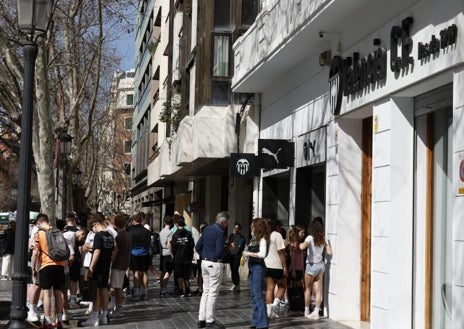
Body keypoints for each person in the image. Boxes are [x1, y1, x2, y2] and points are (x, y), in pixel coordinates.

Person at [195, 211, 230, 329]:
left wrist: (205, 255)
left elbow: (197, 246)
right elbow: (220, 251)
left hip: (204, 262)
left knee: (206, 291)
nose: (227, 225)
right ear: (223, 222)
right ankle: (210, 320)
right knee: (213, 293)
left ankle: (201, 319)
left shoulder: (207, 229)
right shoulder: (220, 232)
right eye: (227, 222)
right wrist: (227, 248)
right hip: (214, 263)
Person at [31, 213, 66, 329]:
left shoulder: (39, 233)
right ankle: (59, 320)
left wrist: (33, 268)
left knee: (46, 294)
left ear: (38, 222)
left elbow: (35, 252)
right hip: (60, 265)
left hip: (46, 265)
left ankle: (47, 322)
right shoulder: (58, 232)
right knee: (58, 293)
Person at [81, 215, 115, 326]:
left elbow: (97, 251)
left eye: (92, 228)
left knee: (95, 291)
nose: (93, 230)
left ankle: (94, 317)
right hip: (106, 266)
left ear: (95, 224)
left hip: (98, 267)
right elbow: (115, 250)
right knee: (104, 290)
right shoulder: (110, 235)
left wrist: (91, 267)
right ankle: (104, 316)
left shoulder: (98, 236)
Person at [299, 218, 333, 320]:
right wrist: (328, 245)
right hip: (321, 265)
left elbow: (301, 247)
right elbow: (330, 253)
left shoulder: (309, 238)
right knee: (319, 291)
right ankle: (316, 312)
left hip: (311, 265)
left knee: (308, 289)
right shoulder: (323, 238)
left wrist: (300, 243)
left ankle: (306, 310)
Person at [242, 218, 270, 329]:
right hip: (252, 267)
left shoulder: (262, 239)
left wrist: (248, 253)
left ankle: (263, 324)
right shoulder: (253, 239)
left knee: (258, 295)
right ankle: (256, 321)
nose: (251, 228)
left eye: (252, 226)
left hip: (258, 267)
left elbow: (262, 254)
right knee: (254, 295)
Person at [264, 219, 287, 320]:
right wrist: (284, 266)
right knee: (282, 286)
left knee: (270, 288)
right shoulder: (277, 235)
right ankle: (274, 305)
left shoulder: (265, 236)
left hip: (266, 266)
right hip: (277, 266)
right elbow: (281, 252)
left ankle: (269, 312)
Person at [109, 214, 131, 318]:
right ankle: (116, 307)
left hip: (118, 264)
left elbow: (115, 251)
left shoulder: (119, 236)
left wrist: (110, 261)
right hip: (123, 263)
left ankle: (118, 309)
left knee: (117, 288)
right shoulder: (126, 235)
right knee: (117, 287)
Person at [128, 212, 152, 300]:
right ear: (141, 220)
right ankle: (145, 291)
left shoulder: (131, 231)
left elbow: (129, 243)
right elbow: (149, 243)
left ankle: (137, 292)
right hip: (144, 253)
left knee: (136, 272)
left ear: (134, 221)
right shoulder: (147, 231)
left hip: (134, 253)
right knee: (145, 272)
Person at [170, 216, 195, 297]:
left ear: (177, 224)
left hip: (178, 258)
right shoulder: (188, 234)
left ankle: (181, 290)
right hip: (187, 257)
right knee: (186, 275)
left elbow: (173, 247)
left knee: (179, 275)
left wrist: (174, 255)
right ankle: (187, 289)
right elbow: (192, 245)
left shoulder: (175, 235)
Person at [228, 223, 245, 292]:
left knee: (235, 269)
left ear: (240, 229)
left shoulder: (241, 237)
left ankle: (237, 284)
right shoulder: (231, 235)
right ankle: (234, 284)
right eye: (235, 228)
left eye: (237, 228)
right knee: (232, 269)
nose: (236, 229)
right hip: (231, 255)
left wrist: (233, 245)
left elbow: (239, 246)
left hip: (237, 255)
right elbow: (229, 243)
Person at [159, 216, 173, 297]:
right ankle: (164, 289)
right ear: (171, 223)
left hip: (162, 252)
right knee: (168, 271)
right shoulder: (170, 232)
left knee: (163, 271)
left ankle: (161, 288)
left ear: (164, 222)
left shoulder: (161, 231)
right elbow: (169, 243)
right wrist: (172, 254)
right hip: (167, 252)